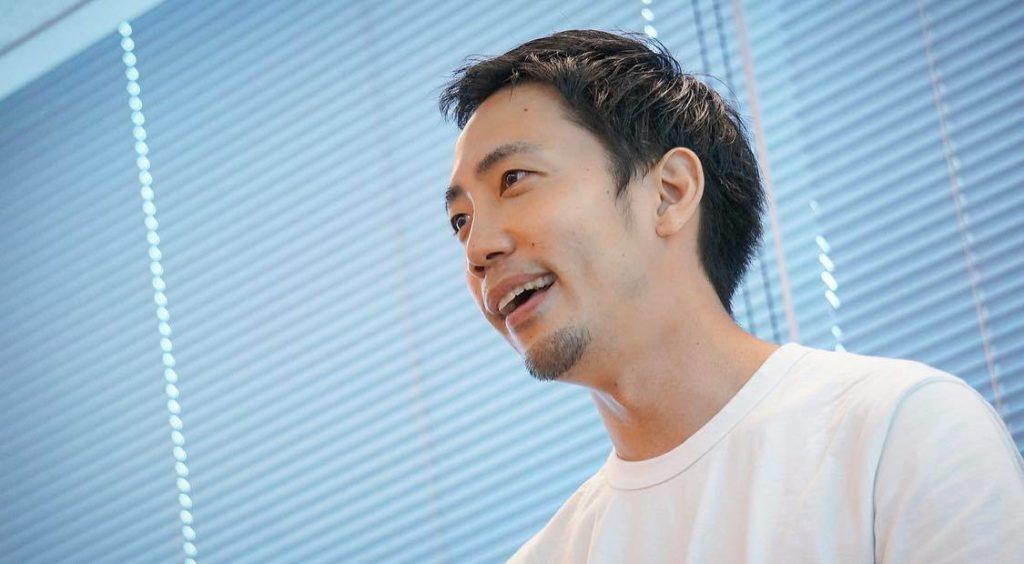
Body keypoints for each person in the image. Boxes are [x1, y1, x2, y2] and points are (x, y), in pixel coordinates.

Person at [438, 30, 1024, 562]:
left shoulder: (901, 433)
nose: (477, 248)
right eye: (461, 221)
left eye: (513, 179)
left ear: (670, 193)